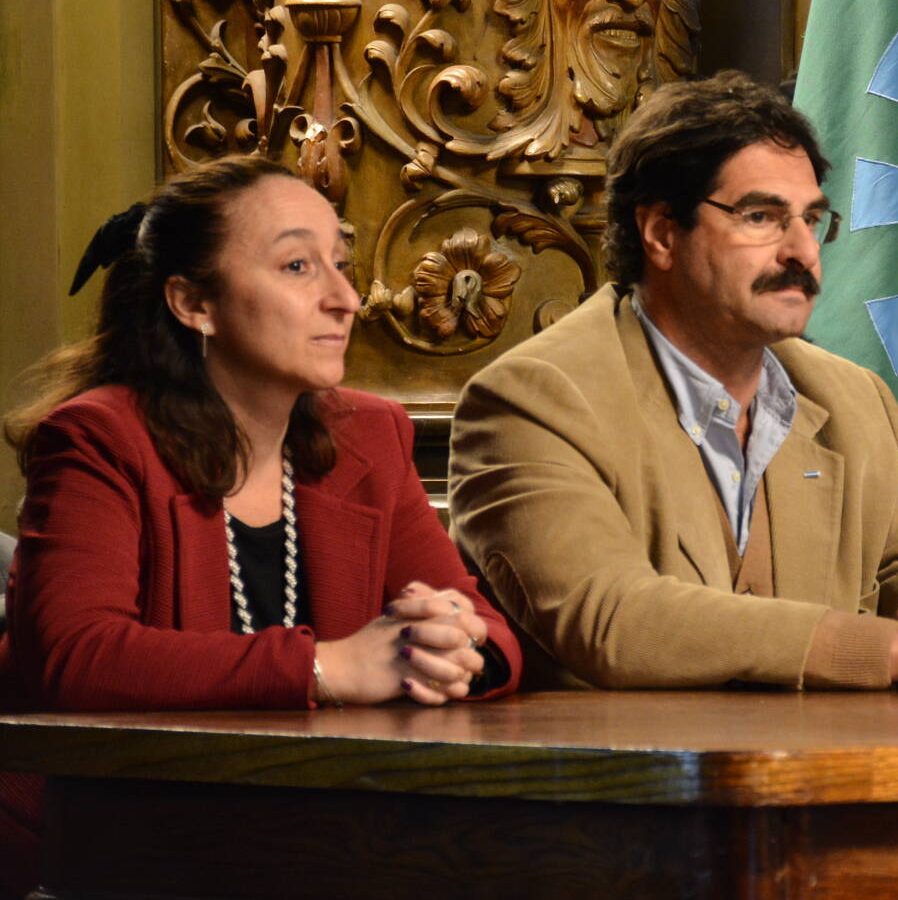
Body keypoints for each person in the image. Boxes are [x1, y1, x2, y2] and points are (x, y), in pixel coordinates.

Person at [447, 71, 898, 695]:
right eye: (761, 216)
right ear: (660, 232)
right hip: (617, 806)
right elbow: (613, 617)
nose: (802, 251)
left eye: (811, 218)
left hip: (825, 792)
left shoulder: (851, 399)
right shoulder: (532, 400)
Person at [0, 157, 520, 898]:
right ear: (192, 302)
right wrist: (327, 667)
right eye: (299, 265)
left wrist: (451, 647)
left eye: (340, 264)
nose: (344, 298)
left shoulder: (370, 434)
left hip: (301, 833)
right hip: (94, 843)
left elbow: (491, 631)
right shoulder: (96, 438)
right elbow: (79, 658)